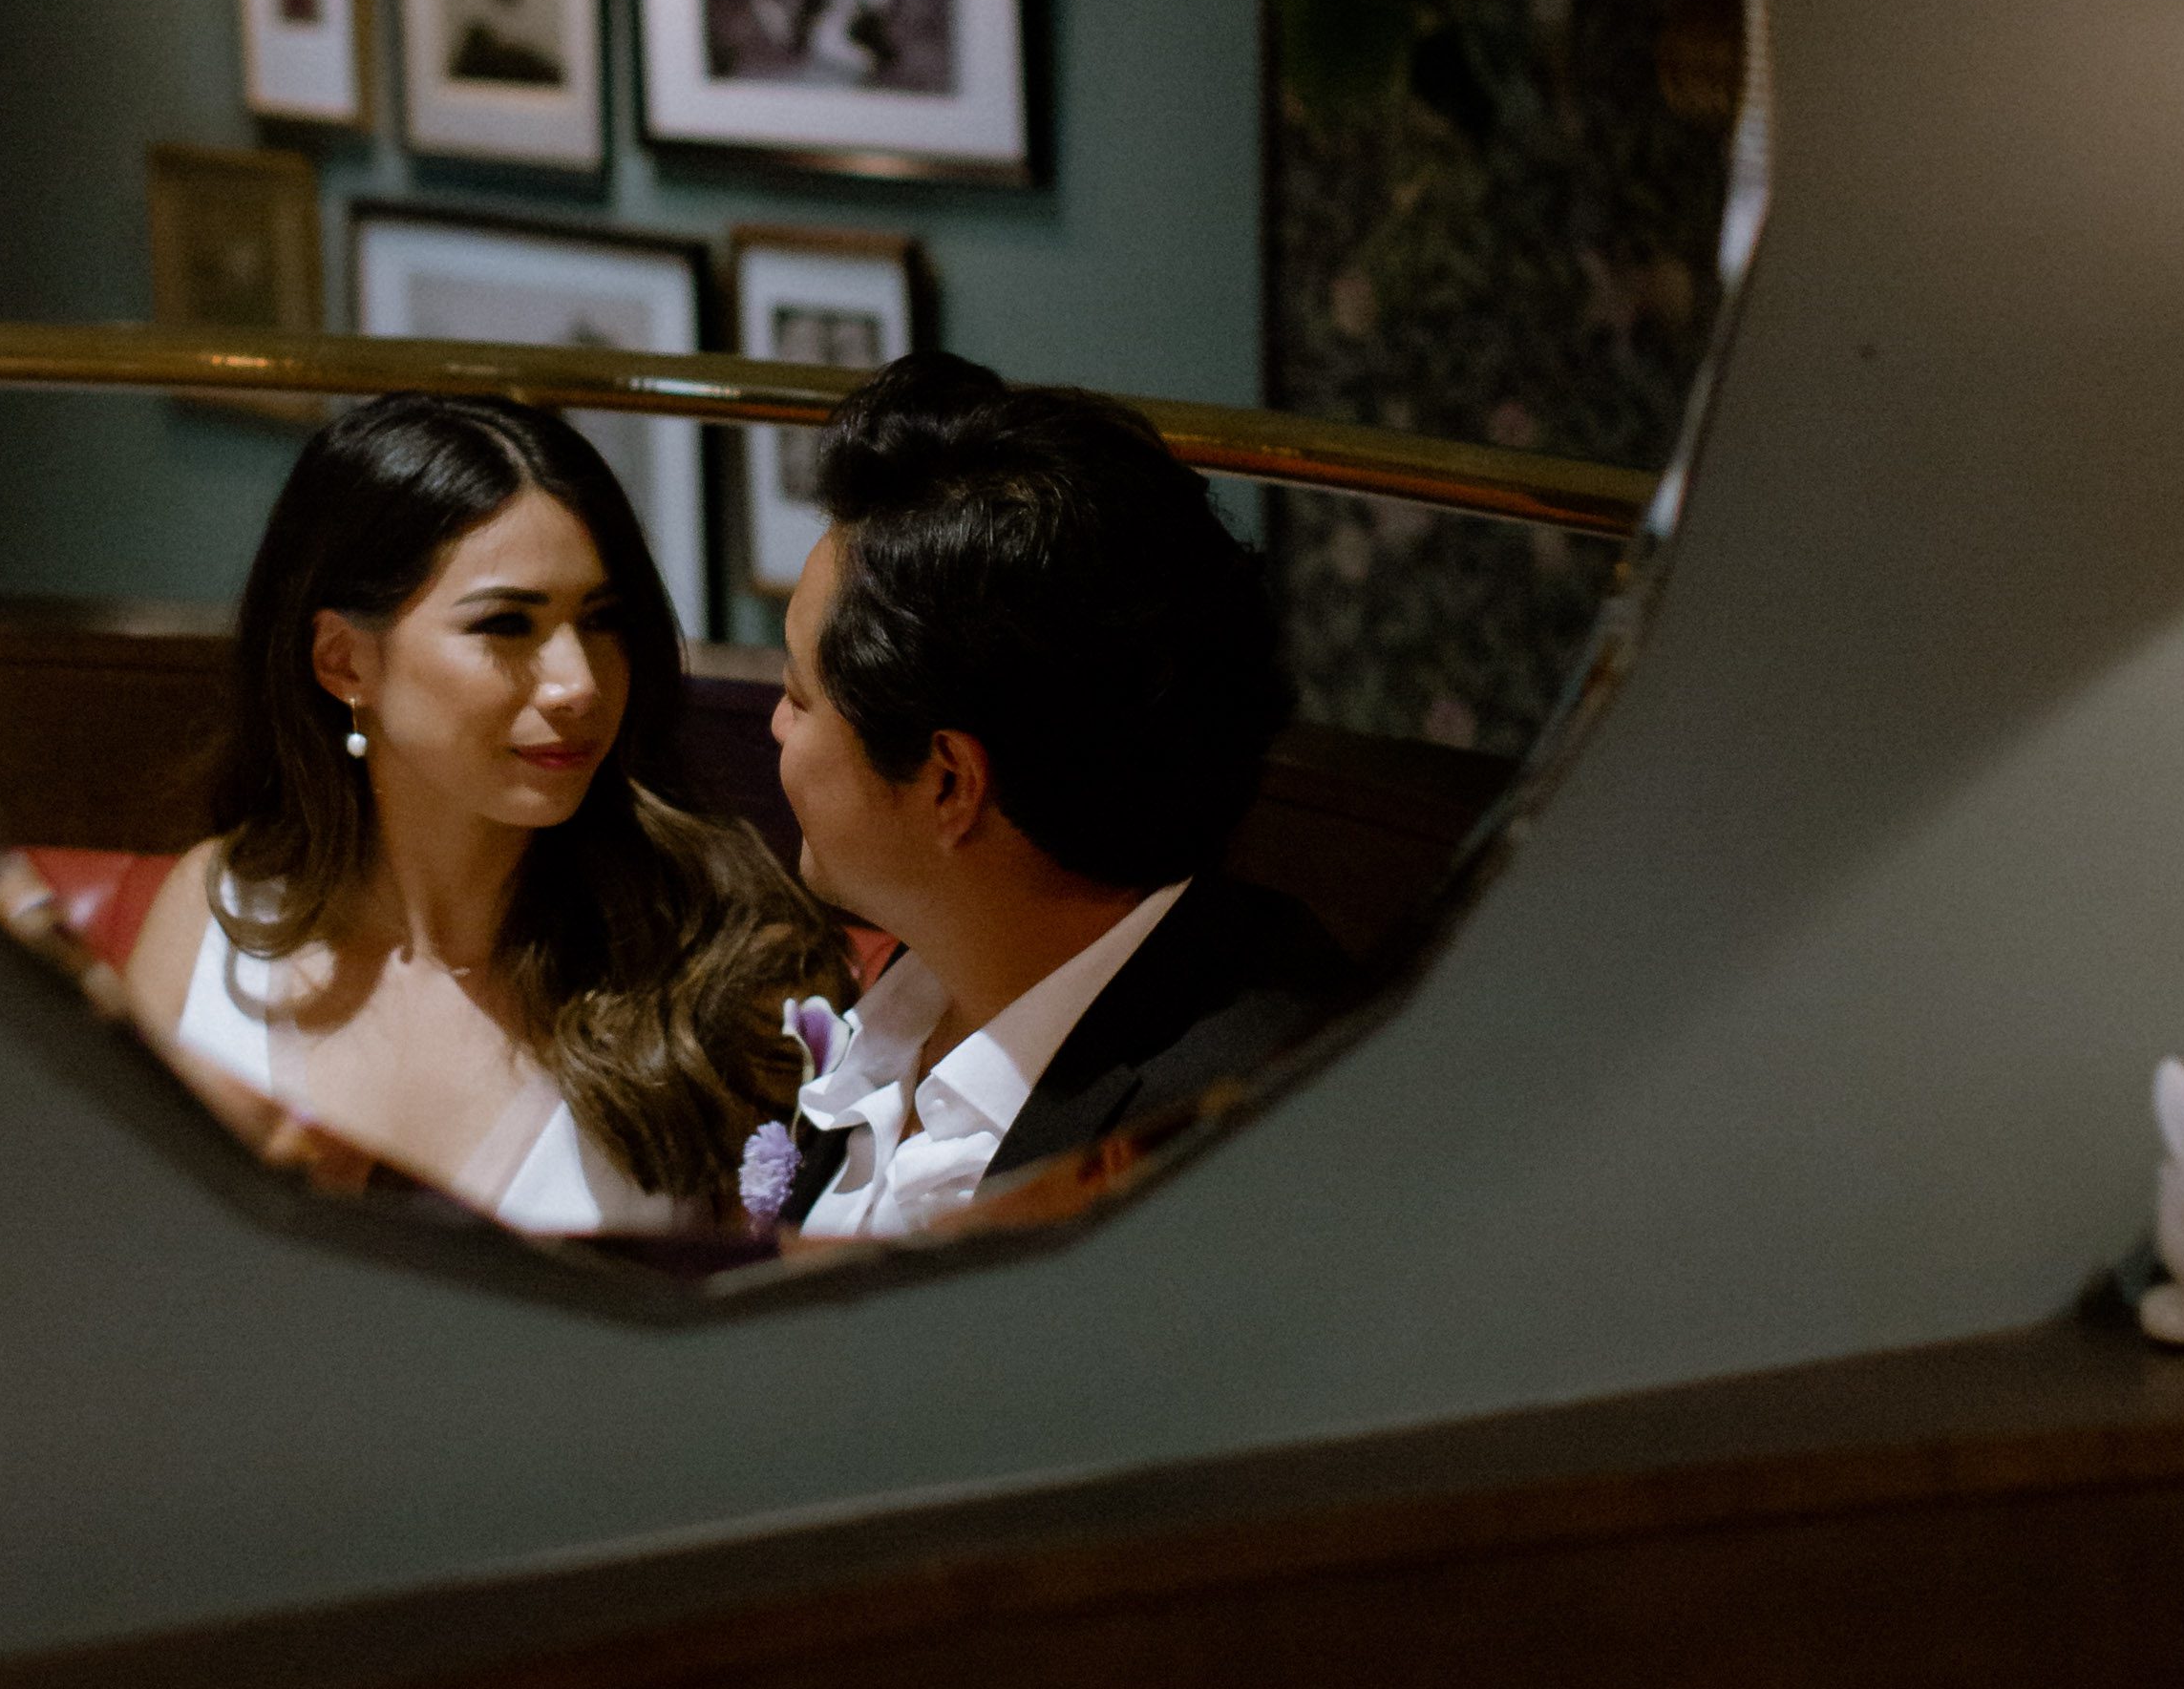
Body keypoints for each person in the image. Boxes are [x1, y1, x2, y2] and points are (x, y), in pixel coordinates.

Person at [124, 394, 838, 1233]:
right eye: (508, 624)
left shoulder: (722, 964)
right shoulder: (212, 921)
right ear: (343, 660)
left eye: (602, 621)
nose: (578, 682)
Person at [767, 356, 1347, 1238]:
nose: (774, 725)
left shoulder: (1235, 1136)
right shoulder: (913, 973)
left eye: (798, 697)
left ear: (950, 782)